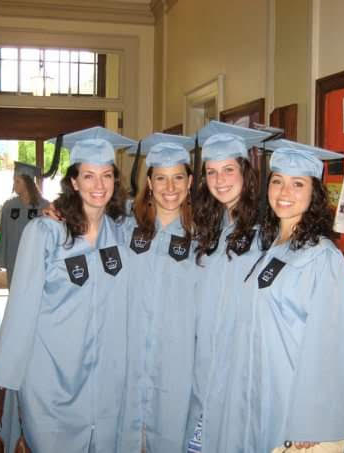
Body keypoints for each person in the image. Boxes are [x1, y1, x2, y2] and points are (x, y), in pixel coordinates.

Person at [197, 139, 344, 453]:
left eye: (297, 184)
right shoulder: (274, 246)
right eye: (277, 182)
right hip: (263, 385)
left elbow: (331, 346)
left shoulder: (322, 258)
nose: (284, 192)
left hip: (293, 394)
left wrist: (313, 419)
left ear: (314, 194)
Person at [0, 126, 137, 452]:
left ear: (116, 180)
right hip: (52, 381)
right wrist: (6, 387)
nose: (99, 185)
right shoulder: (45, 233)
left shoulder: (124, 234)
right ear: (73, 181)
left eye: (107, 175)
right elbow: (20, 314)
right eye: (88, 176)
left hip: (107, 382)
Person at [185, 121, 272, 452]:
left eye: (228, 170)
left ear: (245, 172)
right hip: (206, 356)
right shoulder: (207, 226)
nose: (219, 180)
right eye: (211, 172)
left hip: (243, 360)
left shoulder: (268, 229)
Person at [118, 133, 197, 453]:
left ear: (191, 182)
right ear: (148, 182)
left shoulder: (206, 235)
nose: (170, 187)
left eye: (178, 177)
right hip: (129, 353)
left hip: (179, 360)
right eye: (161, 178)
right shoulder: (123, 227)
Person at [0, 161, 49, 286]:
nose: (14, 185)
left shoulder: (45, 206)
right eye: (14, 181)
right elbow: (4, 234)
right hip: (14, 257)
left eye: (18, 181)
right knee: (15, 291)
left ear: (28, 183)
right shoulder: (9, 206)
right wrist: (1, 256)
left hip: (36, 258)